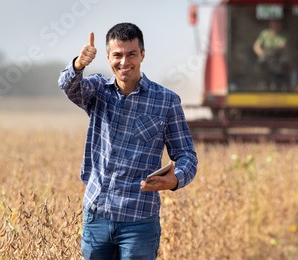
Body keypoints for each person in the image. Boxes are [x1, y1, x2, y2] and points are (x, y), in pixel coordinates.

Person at [58, 23, 198, 260]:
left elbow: (187, 155)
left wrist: (176, 179)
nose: (124, 62)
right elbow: (68, 86)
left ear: (142, 54)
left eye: (132, 54)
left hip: (139, 222)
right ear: (108, 57)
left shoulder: (166, 101)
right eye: (118, 55)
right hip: (96, 215)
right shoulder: (97, 90)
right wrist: (78, 65)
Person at [252, 19, 288, 90]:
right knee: (261, 63)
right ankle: (263, 83)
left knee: (284, 63)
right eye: (274, 24)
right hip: (266, 56)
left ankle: (283, 84)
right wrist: (261, 53)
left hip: (278, 57)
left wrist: (273, 50)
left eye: (277, 24)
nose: (275, 26)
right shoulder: (265, 33)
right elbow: (256, 46)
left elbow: (282, 45)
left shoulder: (283, 34)